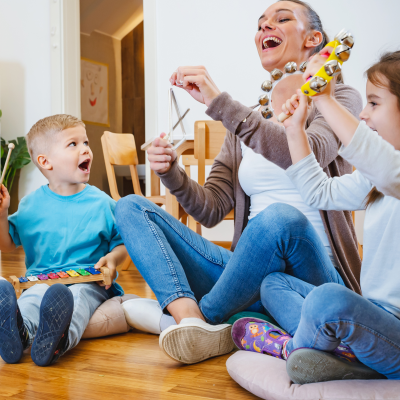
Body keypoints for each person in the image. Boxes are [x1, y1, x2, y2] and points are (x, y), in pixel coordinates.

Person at [116, 0, 362, 365]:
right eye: (260, 23)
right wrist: (171, 172)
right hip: (247, 275)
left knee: (281, 219)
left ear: (314, 39)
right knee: (130, 207)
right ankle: (191, 321)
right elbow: (210, 209)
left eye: (281, 19)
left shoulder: (339, 99)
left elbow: (311, 155)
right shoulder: (246, 120)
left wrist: (218, 103)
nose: (265, 28)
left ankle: (208, 318)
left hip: (314, 276)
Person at [232, 50, 400, 383]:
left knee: (328, 299)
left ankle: (293, 347)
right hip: (373, 319)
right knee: (274, 283)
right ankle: (341, 354)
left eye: (374, 103)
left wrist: (325, 98)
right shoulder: (376, 180)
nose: (364, 115)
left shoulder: (387, 172)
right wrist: (295, 130)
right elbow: (319, 192)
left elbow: (382, 163)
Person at [0, 115, 127, 367]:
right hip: (40, 281)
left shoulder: (102, 203)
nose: (85, 149)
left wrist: (112, 260)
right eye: (73, 144)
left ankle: (59, 342)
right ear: (45, 162)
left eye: (86, 142)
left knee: (77, 298)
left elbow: (122, 243)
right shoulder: (29, 206)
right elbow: (7, 244)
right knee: (32, 298)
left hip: (90, 282)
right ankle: (20, 334)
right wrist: (2, 214)